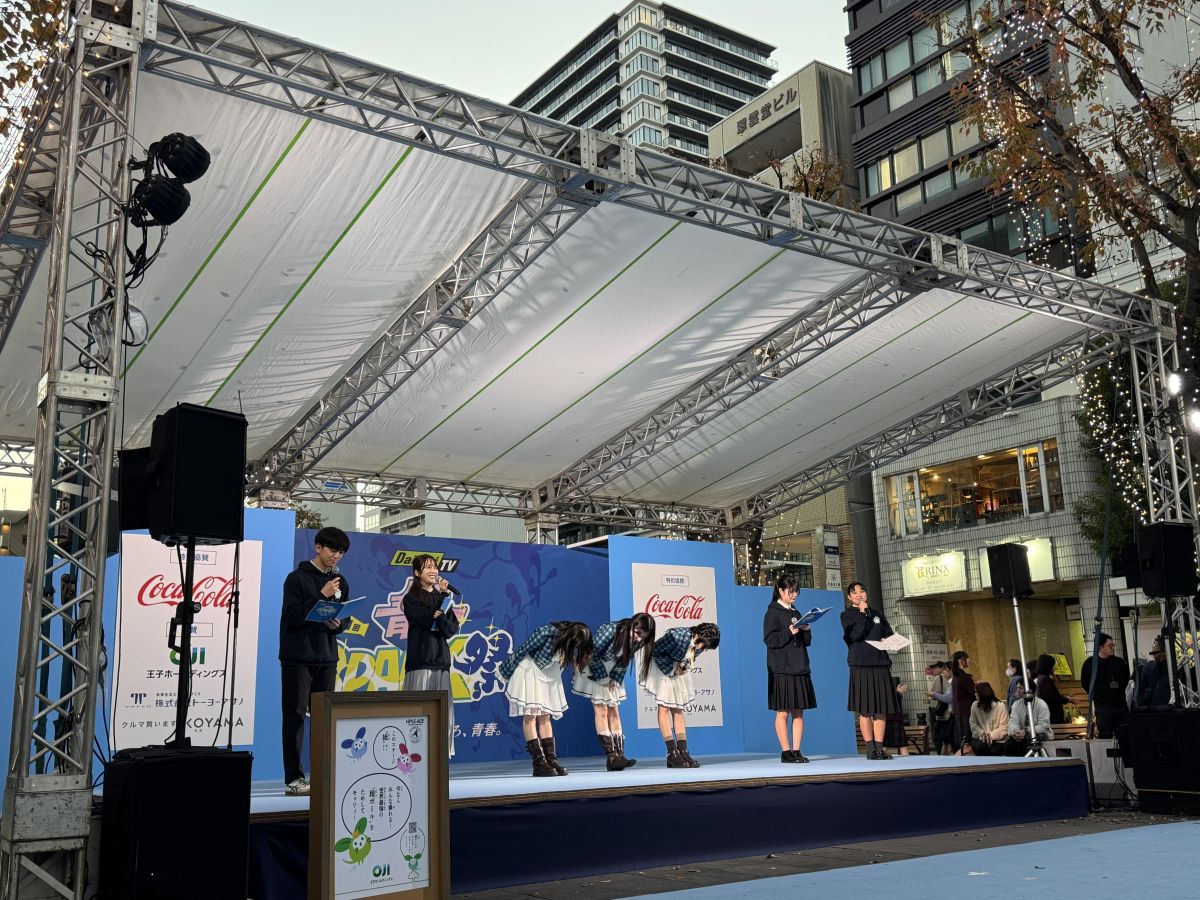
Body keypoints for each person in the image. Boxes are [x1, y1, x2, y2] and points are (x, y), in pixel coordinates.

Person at [279, 526, 350, 796]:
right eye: (332, 549)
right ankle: (294, 778)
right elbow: (292, 616)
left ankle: (323, 775)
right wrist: (321, 595)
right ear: (318, 547)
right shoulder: (296, 578)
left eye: (341, 552)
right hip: (297, 657)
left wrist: (339, 624)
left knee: (324, 718)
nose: (336, 556)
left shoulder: (340, 582)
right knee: (295, 717)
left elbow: (344, 617)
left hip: (327, 657)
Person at [500, 621, 594, 776]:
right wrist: (505, 671)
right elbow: (523, 650)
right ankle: (539, 763)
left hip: (548, 674)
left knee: (545, 716)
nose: (576, 648)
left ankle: (551, 760)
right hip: (530, 671)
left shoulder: (570, 646)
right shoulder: (545, 633)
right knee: (531, 715)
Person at [572, 613, 655, 770]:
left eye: (642, 637)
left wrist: (616, 678)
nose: (638, 639)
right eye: (637, 633)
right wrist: (602, 677)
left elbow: (625, 659)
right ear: (632, 624)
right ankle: (611, 757)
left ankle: (620, 755)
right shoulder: (610, 630)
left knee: (614, 709)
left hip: (612, 668)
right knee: (601, 709)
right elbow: (591, 654)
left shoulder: (639, 640)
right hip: (593, 666)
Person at [401, 554, 461, 757]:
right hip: (421, 662)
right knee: (417, 712)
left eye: (435, 567)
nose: (433, 571)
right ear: (417, 573)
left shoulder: (441, 597)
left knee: (443, 713)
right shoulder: (411, 598)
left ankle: (440, 756)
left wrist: (441, 609)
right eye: (428, 568)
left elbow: (451, 628)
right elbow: (425, 620)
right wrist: (439, 608)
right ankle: (413, 754)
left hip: (441, 662)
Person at [641, 622, 721, 768]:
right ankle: (672, 753)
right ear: (699, 634)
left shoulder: (699, 644)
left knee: (678, 709)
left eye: (706, 647)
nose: (702, 648)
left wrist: (683, 667)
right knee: (664, 708)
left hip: (677, 668)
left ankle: (683, 751)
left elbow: (689, 658)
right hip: (661, 667)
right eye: (703, 644)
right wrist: (673, 669)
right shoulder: (676, 636)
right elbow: (656, 651)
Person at [840, 581, 899, 761]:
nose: (859, 594)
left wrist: (889, 640)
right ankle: (870, 749)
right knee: (865, 710)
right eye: (855, 592)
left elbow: (888, 633)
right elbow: (855, 635)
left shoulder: (877, 613)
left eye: (862, 591)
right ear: (849, 597)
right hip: (861, 665)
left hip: (880, 664)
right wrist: (861, 613)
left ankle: (880, 748)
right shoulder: (847, 615)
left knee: (881, 709)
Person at [763, 575, 817, 763]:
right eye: (791, 591)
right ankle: (785, 752)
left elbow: (806, 642)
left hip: (800, 666)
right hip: (782, 668)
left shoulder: (796, 612)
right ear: (780, 590)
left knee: (799, 711)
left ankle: (797, 750)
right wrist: (789, 631)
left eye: (796, 592)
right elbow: (769, 640)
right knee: (783, 712)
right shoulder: (772, 613)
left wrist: (807, 630)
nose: (794, 595)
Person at [1080, 632, 1131, 738]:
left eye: (1113, 645)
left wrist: (1118, 690)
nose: (1112, 648)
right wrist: (1096, 694)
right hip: (1102, 706)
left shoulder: (1119, 662)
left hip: (1120, 704)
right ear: (1101, 647)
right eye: (1109, 646)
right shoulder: (1090, 664)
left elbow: (1125, 679)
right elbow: (1085, 682)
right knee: (1105, 734)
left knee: (1125, 733)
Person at [1005, 681, 1053, 755]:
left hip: (1041, 735)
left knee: (1028, 744)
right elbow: (1012, 723)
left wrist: (1026, 731)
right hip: (1023, 737)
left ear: (1029, 690)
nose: (1017, 690)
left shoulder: (1042, 705)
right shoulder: (1016, 704)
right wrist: (1015, 732)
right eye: (1017, 688)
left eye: (1020, 688)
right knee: (1009, 746)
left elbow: (1045, 726)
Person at [968, 682, 1009, 756]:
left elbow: (1005, 726)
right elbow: (973, 724)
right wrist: (983, 735)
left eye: (976, 692)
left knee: (994, 751)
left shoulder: (1000, 706)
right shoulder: (974, 706)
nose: (975, 694)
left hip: (998, 740)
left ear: (983, 693)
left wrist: (991, 736)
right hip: (980, 738)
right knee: (981, 747)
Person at [926, 661, 955, 754]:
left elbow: (933, 696)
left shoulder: (938, 678)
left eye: (935, 668)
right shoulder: (953, 680)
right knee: (948, 740)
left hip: (942, 715)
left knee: (938, 739)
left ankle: (941, 757)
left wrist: (929, 703)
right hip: (951, 714)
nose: (933, 670)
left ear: (941, 668)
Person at [1034, 653, 1071, 725]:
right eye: (1053, 665)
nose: (1054, 668)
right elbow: (1052, 697)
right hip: (1052, 715)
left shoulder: (1041, 678)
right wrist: (1066, 699)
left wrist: (1065, 698)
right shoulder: (1045, 679)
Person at [950, 650, 976, 751]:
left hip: (958, 712)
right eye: (967, 658)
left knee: (962, 742)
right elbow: (973, 693)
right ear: (961, 660)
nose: (969, 660)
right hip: (966, 712)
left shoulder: (955, 676)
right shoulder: (964, 677)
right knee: (966, 741)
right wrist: (978, 687)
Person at [1138, 639, 1172, 707]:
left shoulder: (1172, 668)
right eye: (1153, 645)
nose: (1153, 648)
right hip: (1152, 706)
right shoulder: (1148, 667)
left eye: (1156, 645)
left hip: (1168, 706)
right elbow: (1143, 689)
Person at [881, 678, 910, 756]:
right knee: (903, 747)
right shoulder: (884, 683)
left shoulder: (878, 683)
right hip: (892, 718)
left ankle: (882, 761)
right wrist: (899, 692)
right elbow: (890, 701)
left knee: (884, 747)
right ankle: (908, 764)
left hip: (886, 719)